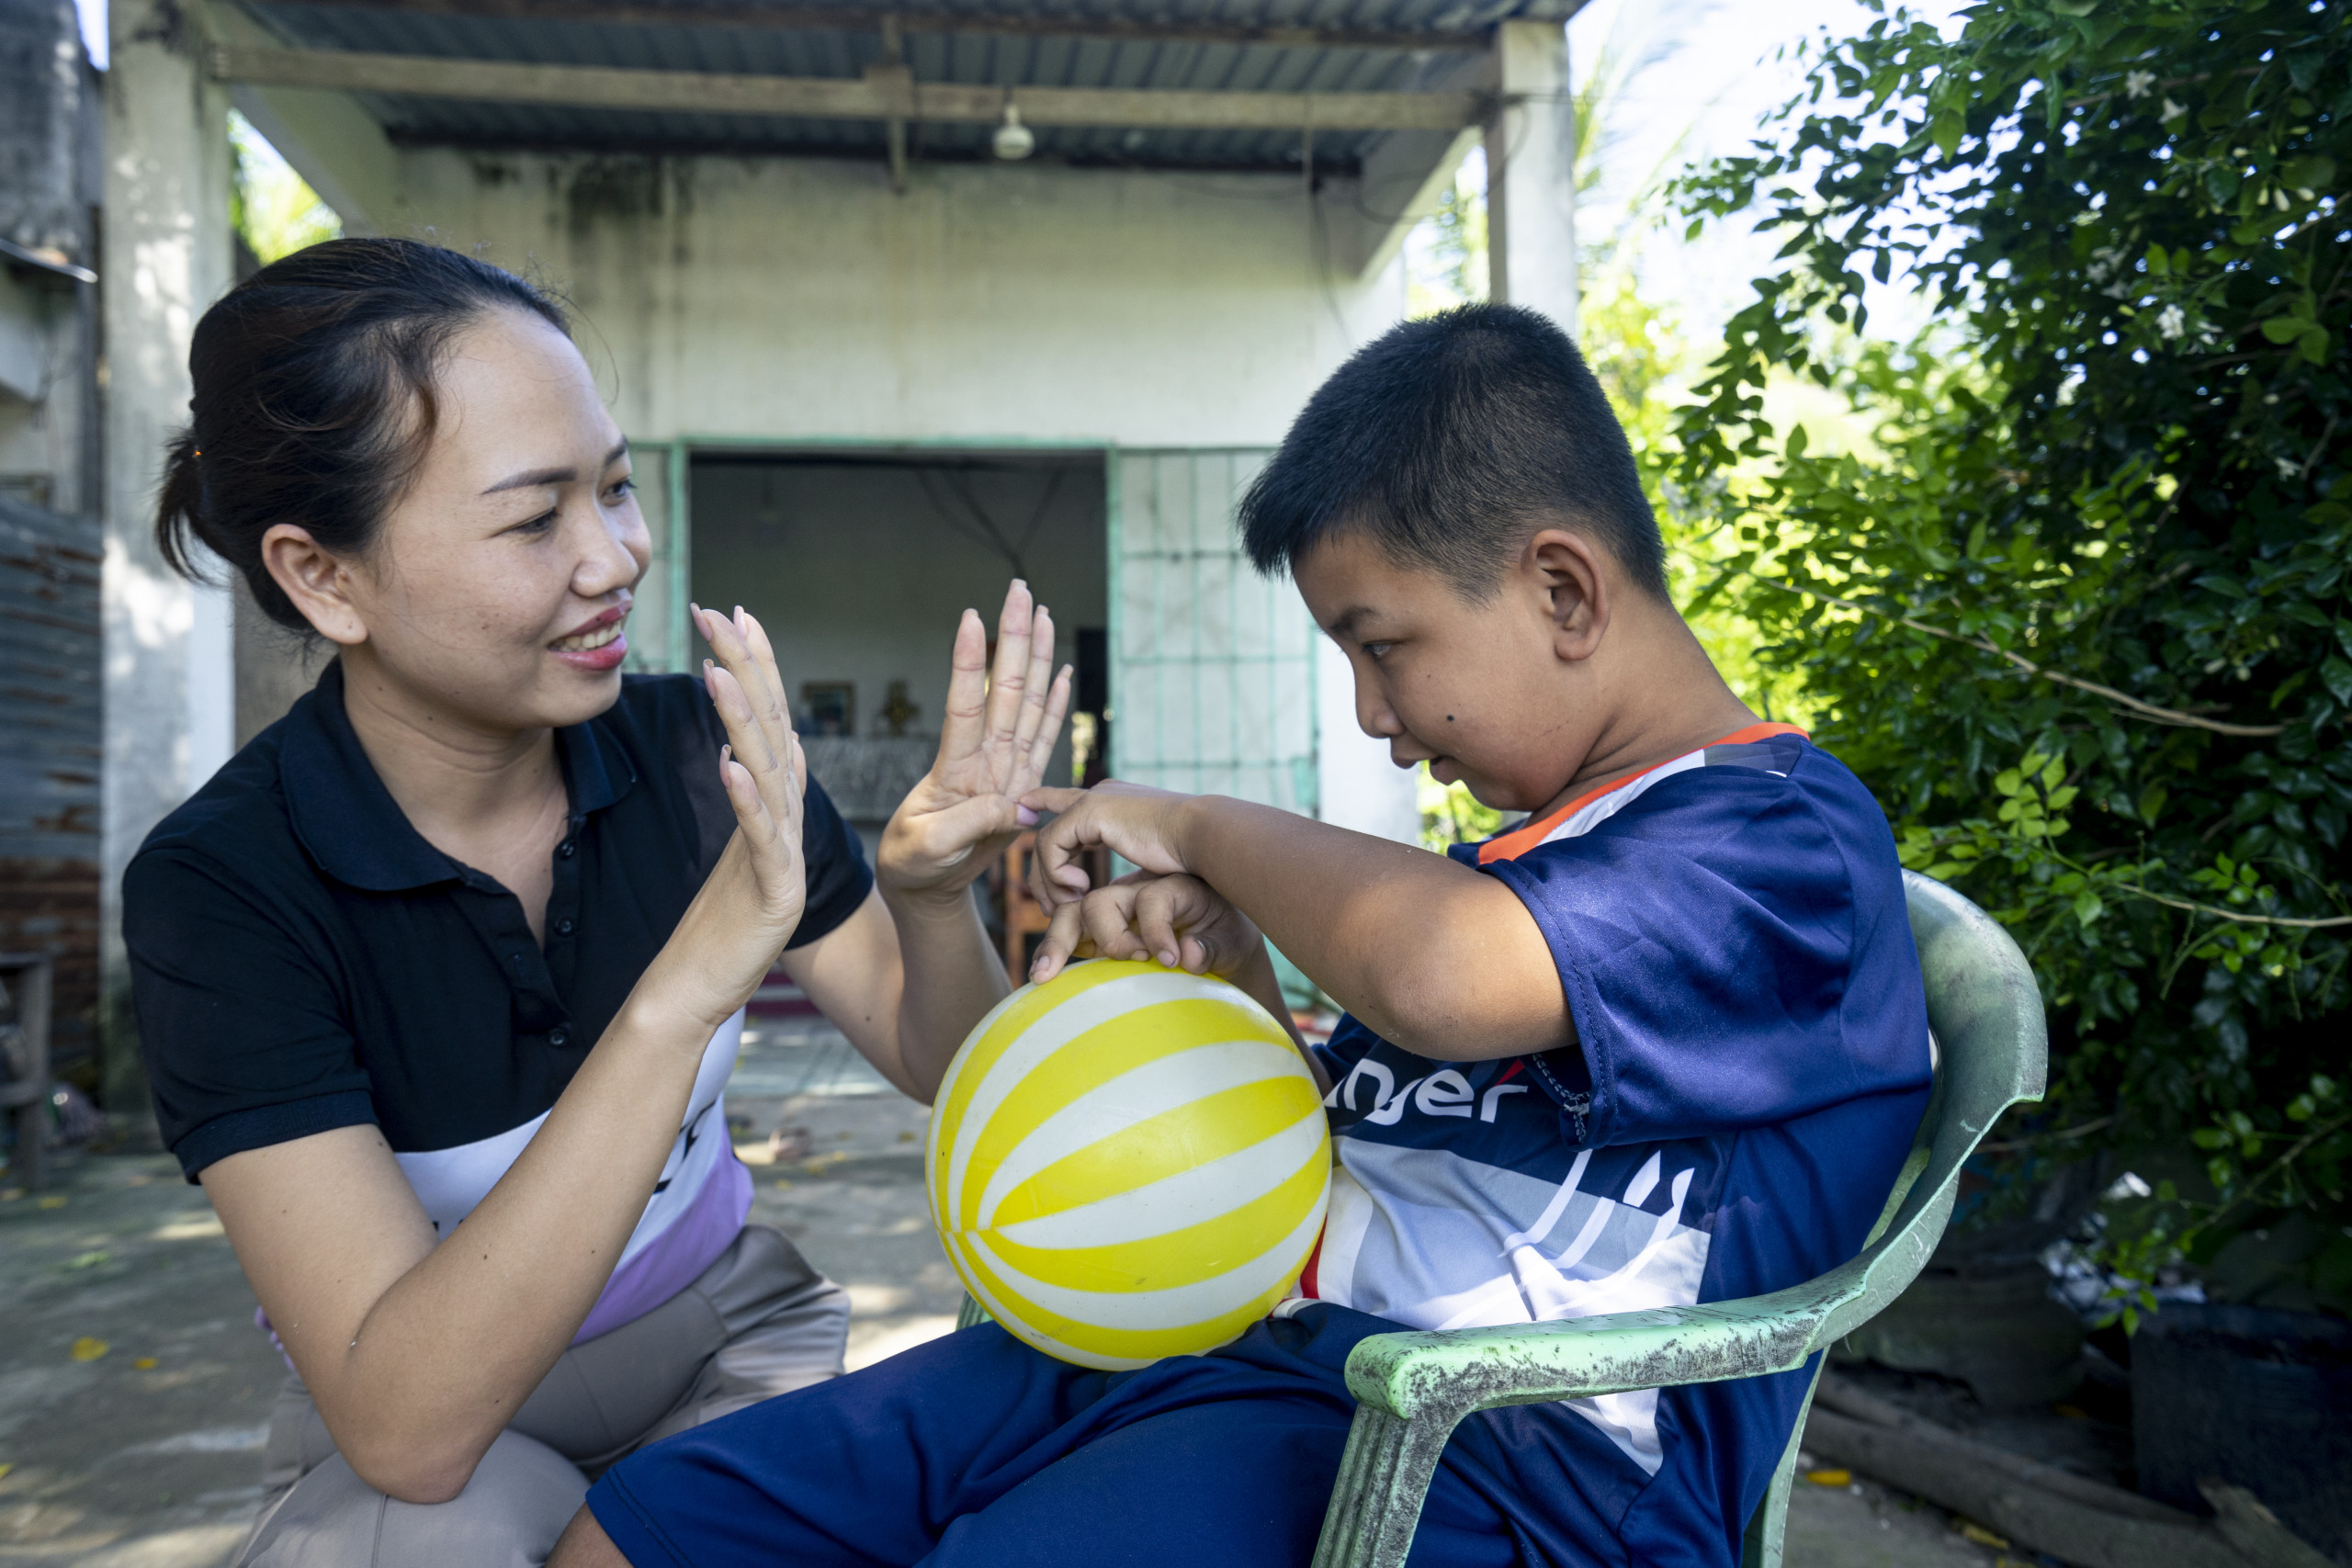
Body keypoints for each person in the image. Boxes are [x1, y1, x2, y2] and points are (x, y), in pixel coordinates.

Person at [548, 304, 1937, 1568]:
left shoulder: (1776, 844)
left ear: (1562, 591)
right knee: (661, 1523)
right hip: (1258, 1348)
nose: (1370, 715)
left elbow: (1442, 977)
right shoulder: (1536, 862)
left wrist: (1201, 827)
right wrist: (1237, 964)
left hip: (1511, 1467)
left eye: (1381, 646)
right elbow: (1363, 1148)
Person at [124, 237, 1070, 1568]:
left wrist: (926, 900)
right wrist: (682, 993)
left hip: (728, 1338)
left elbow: (947, 1065)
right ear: (321, 576)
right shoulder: (225, 887)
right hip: (442, 1412)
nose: (614, 557)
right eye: (534, 517)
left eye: (616, 489)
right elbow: (407, 1430)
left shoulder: (701, 753)